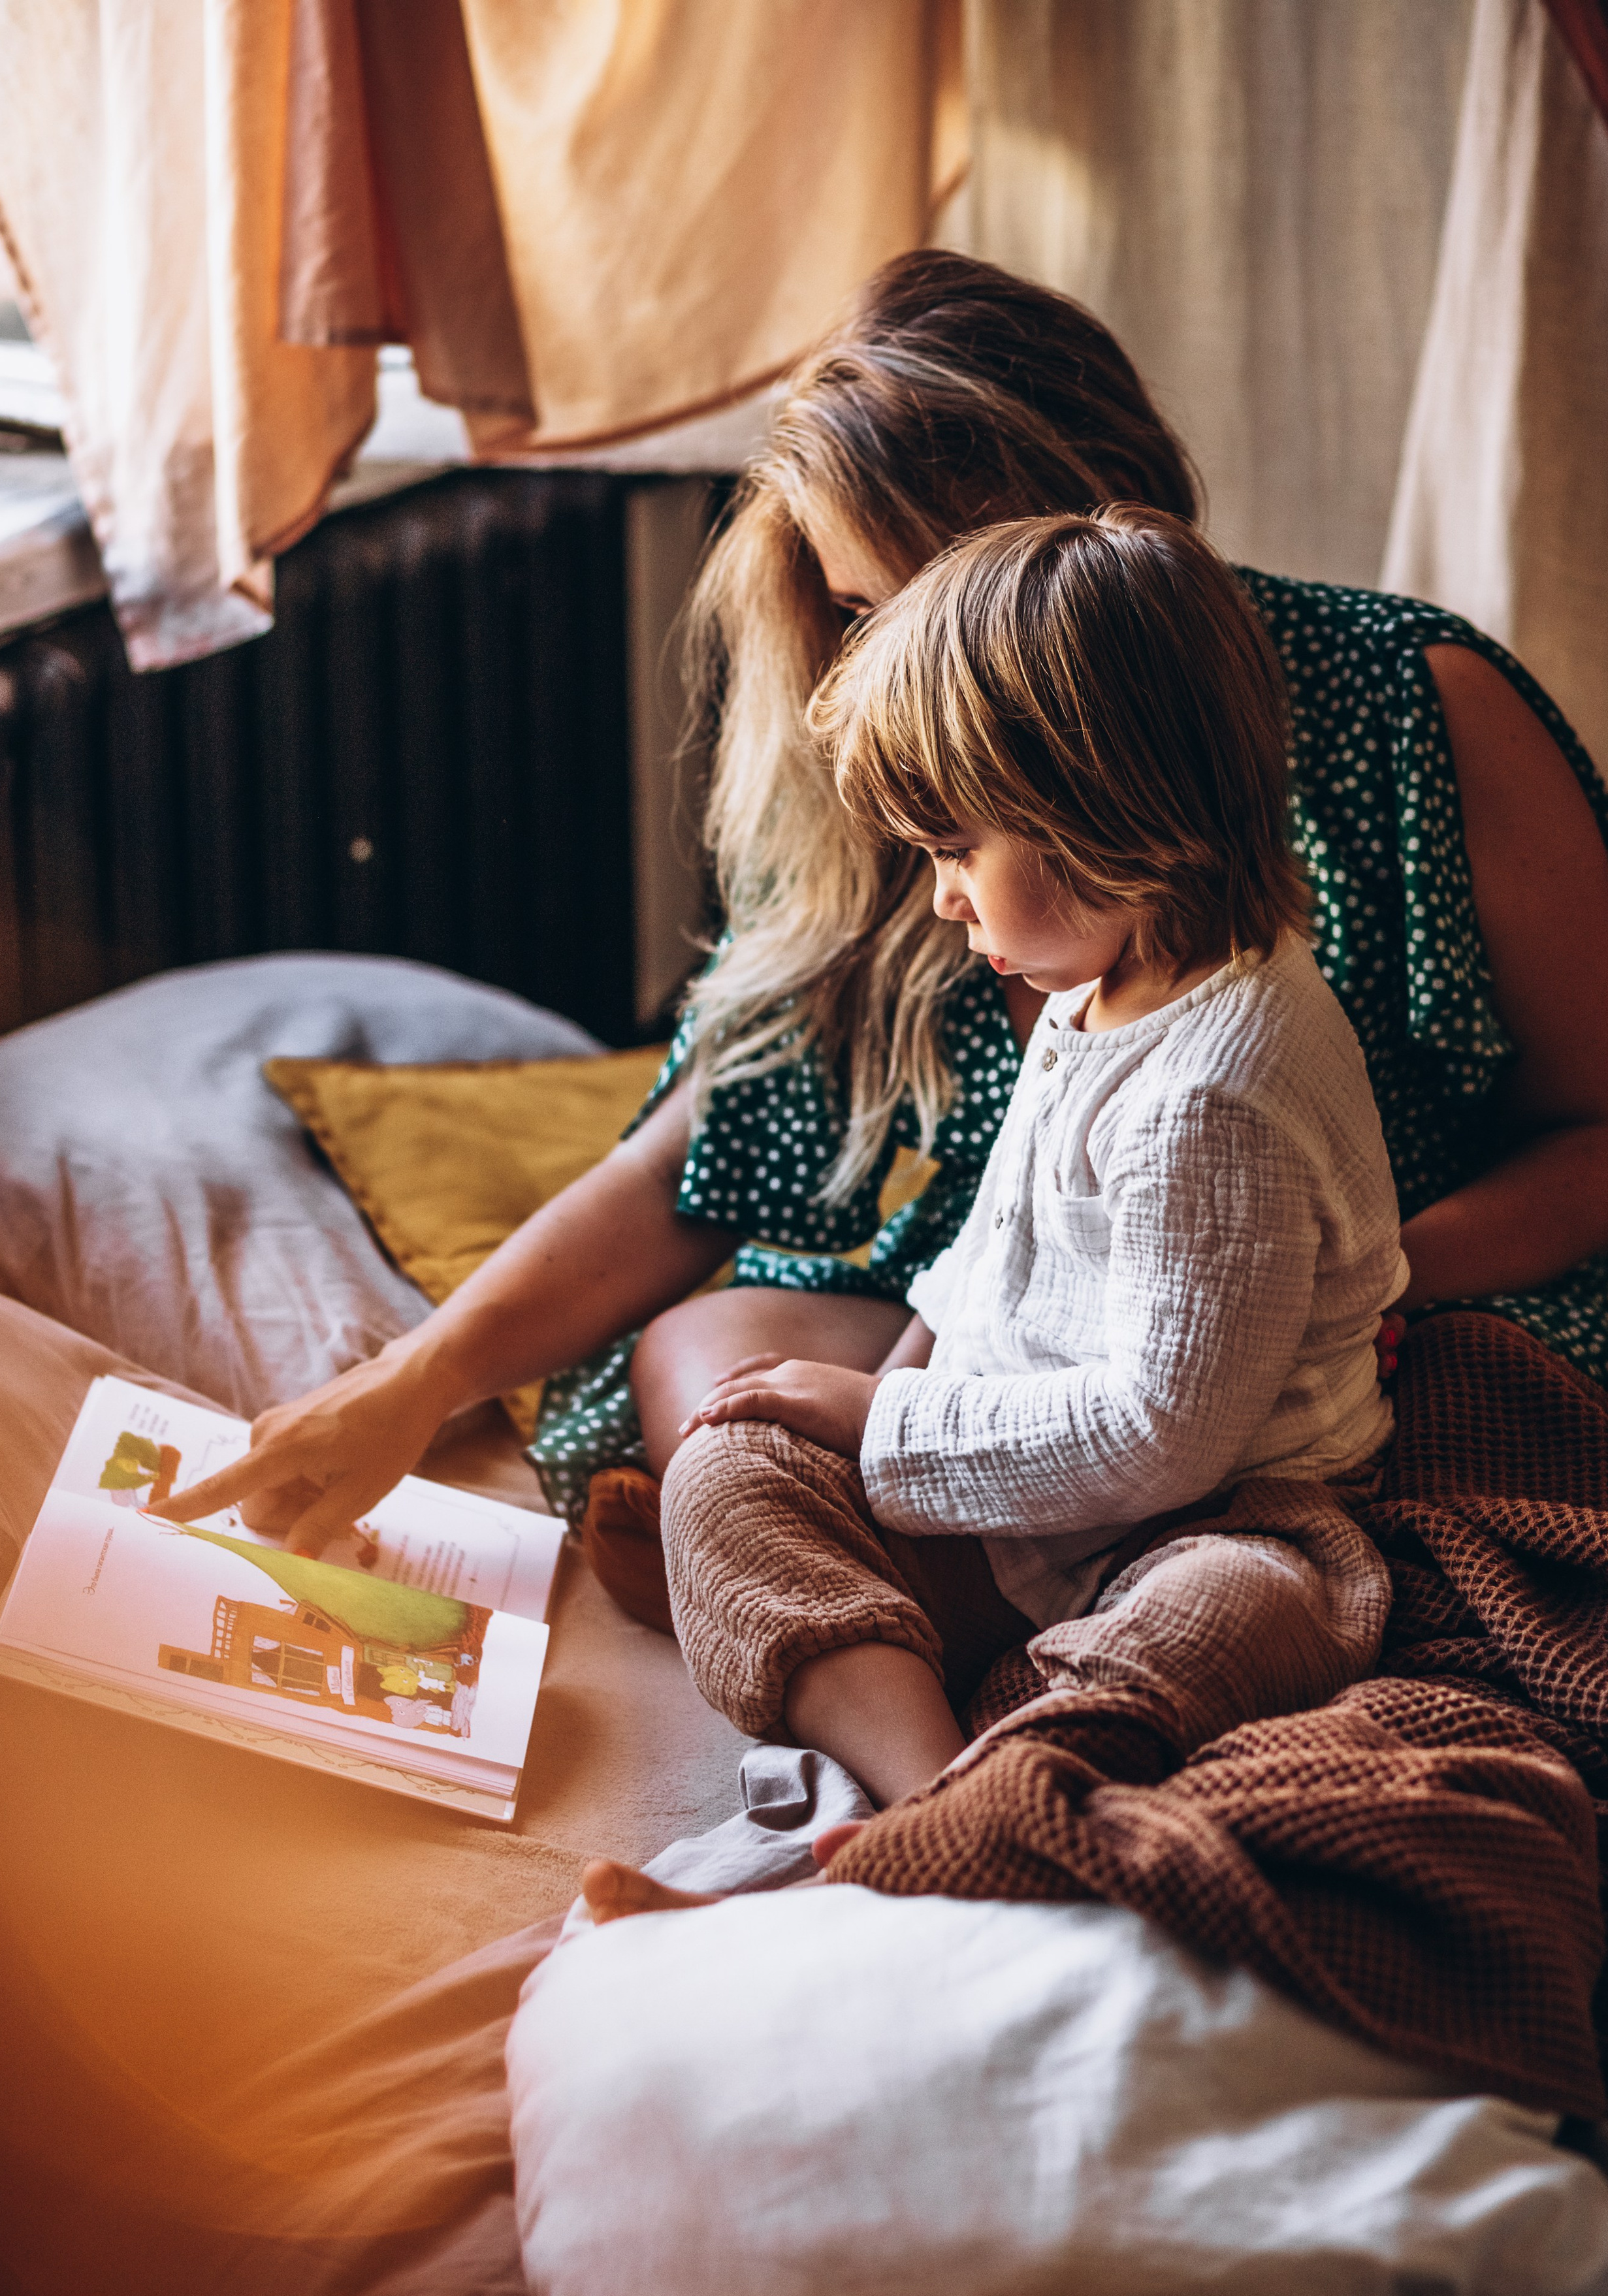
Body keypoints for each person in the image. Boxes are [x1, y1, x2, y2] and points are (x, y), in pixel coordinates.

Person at [154, 251, 1608, 1593]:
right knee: (711, 1360)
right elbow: (702, 1146)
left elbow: (1606, 1131)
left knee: (1434, 1451)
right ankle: (930, 1606)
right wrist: (414, 1385)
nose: (901, 667)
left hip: (1368, 1320)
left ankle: (1002, 1626)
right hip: (1016, 1327)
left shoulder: (1408, 702)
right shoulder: (894, 770)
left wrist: (1344, 1290)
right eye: (866, 610)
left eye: (946, 596)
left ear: (1108, 540)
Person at [577, 506, 1407, 1919]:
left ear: (1106, 815)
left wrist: (883, 1427)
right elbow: (989, 1253)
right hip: (1019, 1510)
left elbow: (1164, 1434)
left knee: (1241, 1616)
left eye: (957, 848)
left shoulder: (1220, 1086)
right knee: (729, 1477)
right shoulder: (1092, 990)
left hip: (1205, 1518)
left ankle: (953, 1811)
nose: (944, 896)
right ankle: (945, 1795)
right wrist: (867, 1397)